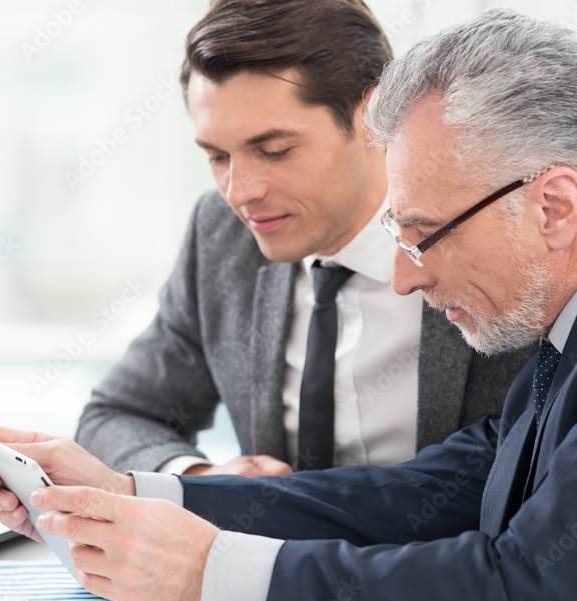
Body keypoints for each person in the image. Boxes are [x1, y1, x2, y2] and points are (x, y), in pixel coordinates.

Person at [0, 9, 577, 601]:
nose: (403, 277)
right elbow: (434, 489)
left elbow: (523, 596)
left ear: (553, 205)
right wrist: (140, 493)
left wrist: (213, 572)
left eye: (424, 236)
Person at [75, 0, 531, 478]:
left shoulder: (488, 230)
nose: (239, 193)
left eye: (273, 151)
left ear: (372, 116)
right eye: (216, 156)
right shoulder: (220, 236)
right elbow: (117, 415)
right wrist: (204, 481)